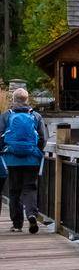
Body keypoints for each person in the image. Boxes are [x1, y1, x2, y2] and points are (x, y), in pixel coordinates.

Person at [0, 87, 46, 234]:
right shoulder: (36, 116)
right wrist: (36, 151)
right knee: (30, 188)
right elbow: (43, 138)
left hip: (12, 159)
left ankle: (17, 224)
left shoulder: (6, 116)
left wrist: (4, 151)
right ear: (27, 99)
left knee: (14, 191)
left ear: (13, 100)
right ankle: (32, 214)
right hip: (32, 159)